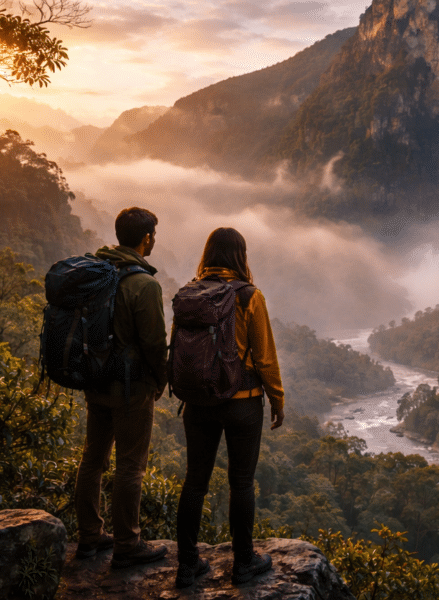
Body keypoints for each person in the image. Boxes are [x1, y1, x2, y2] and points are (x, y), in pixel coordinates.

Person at [175, 227, 286, 588]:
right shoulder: (249, 296)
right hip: (243, 402)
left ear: (208, 254)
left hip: (198, 401)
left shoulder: (190, 294)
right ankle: (243, 563)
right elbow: (265, 357)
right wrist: (277, 399)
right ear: (241, 256)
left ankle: (187, 566)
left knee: (195, 481)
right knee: (241, 483)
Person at [74, 207, 169, 569]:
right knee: (130, 466)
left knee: (93, 460)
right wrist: (160, 380)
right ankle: (127, 545)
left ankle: (89, 536)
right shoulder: (144, 284)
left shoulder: (97, 272)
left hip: (95, 380)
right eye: (153, 235)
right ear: (146, 238)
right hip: (131, 389)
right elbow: (154, 343)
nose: (154, 241)